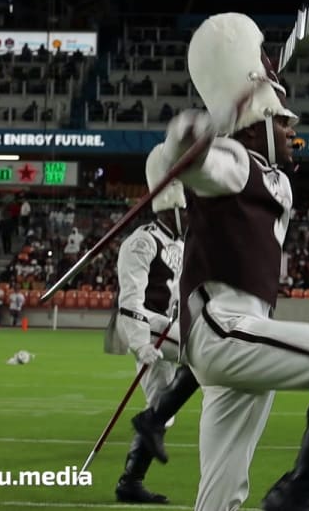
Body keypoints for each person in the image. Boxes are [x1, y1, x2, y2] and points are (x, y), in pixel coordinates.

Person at [145, 13, 309, 511]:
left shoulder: (270, 173)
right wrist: (187, 134)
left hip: (240, 330)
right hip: (223, 327)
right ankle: (296, 495)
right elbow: (203, 163)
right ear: (258, 125)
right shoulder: (236, 160)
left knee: (219, 498)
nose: (294, 128)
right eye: (284, 120)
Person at [107, 146, 200, 504]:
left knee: (163, 411)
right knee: (203, 355)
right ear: (170, 208)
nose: (191, 217)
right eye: (186, 211)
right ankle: (138, 459)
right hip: (147, 326)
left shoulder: (180, 242)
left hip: (170, 328)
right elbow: (130, 301)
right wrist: (140, 342)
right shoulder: (141, 242)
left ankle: (130, 480)